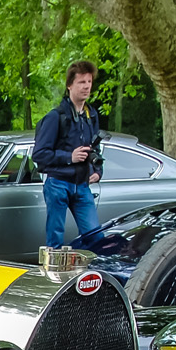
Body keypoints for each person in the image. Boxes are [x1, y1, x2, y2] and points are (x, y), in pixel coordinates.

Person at [32, 60, 105, 249]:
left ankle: (95, 268)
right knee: (55, 241)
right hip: (58, 183)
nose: (86, 87)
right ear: (69, 85)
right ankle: (52, 269)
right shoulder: (55, 117)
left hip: (82, 184)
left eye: (89, 82)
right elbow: (39, 155)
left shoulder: (91, 115)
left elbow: (95, 148)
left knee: (96, 237)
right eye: (81, 82)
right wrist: (69, 157)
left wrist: (97, 171)